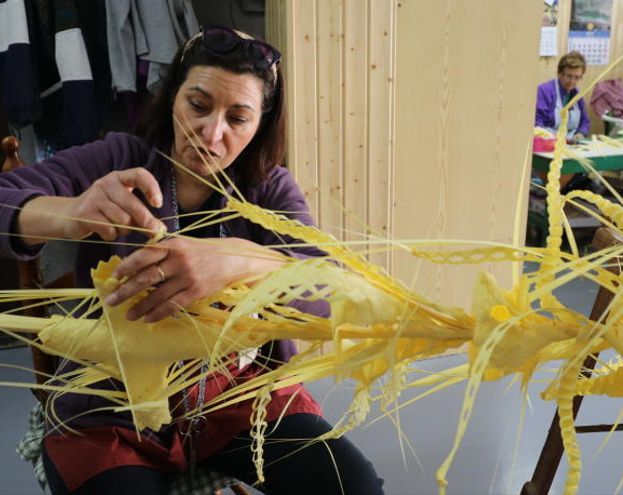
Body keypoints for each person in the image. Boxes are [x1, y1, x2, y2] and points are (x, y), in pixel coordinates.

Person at [0, 25, 383, 495]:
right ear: (172, 99)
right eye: (198, 106)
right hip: (109, 403)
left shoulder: (267, 190)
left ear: (260, 125)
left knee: (353, 486)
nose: (212, 132)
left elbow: (331, 292)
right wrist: (68, 213)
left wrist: (240, 260)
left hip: (233, 395)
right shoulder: (120, 159)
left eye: (237, 118)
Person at [535, 51, 591, 142]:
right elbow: (537, 123)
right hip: (548, 142)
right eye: (569, 76)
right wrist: (551, 138)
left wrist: (581, 133)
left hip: (571, 143)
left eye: (577, 77)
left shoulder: (577, 96)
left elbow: (585, 121)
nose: (572, 81)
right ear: (559, 73)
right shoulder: (544, 91)